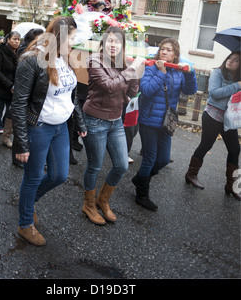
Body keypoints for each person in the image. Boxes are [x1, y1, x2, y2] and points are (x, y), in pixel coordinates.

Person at [11, 16, 87, 246]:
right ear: (59, 37)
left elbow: (71, 96)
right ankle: (25, 224)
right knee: (32, 177)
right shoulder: (33, 60)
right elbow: (19, 103)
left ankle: (27, 202)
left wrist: (80, 123)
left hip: (61, 127)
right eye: (71, 38)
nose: (74, 43)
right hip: (38, 127)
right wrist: (22, 143)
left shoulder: (66, 58)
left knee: (59, 175)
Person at [82, 26, 145, 225]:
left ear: (122, 45)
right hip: (95, 120)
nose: (113, 45)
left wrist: (135, 74)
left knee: (121, 165)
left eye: (117, 42)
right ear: (103, 42)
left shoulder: (122, 64)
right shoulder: (94, 61)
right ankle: (89, 204)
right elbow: (109, 87)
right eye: (109, 41)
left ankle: (103, 200)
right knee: (95, 166)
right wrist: (129, 71)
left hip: (116, 120)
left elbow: (131, 93)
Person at [132, 38, 197, 211]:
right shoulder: (151, 67)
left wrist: (190, 73)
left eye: (169, 50)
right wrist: (160, 72)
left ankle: (140, 178)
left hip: (166, 122)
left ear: (175, 54)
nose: (164, 52)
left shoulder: (178, 71)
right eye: (162, 49)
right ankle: (141, 194)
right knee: (150, 158)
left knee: (163, 159)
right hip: (149, 120)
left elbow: (190, 91)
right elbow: (145, 90)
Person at [185, 52, 241, 200]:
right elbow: (215, 93)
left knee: (235, 149)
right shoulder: (217, 73)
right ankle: (191, 174)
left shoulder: (238, 79)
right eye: (230, 57)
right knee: (206, 145)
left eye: (236, 60)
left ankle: (232, 185)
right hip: (212, 115)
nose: (231, 61)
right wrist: (237, 86)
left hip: (229, 118)